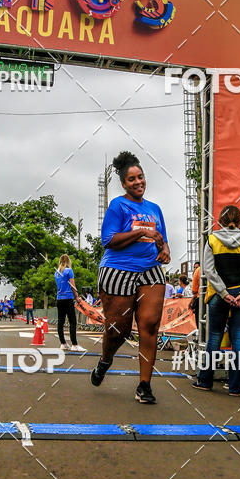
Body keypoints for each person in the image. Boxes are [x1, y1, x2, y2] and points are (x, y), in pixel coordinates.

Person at [91, 150, 170, 404]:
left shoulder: (155, 208)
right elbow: (108, 240)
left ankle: (144, 385)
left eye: (141, 177)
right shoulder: (118, 205)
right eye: (132, 179)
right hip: (118, 270)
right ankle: (105, 360)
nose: (138, 182)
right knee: (119, 331)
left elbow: (162, 240)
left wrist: (165, 250)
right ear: (124, 183)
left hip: (150, 270)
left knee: (149, 326)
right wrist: (139, 233)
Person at [193, 204, 240, 395]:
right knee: (239, 337)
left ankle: (204, 381)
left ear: (220, 221)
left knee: (214, 337)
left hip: (218, 296)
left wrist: (224, 293)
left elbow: (208, 270)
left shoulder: (212, 240)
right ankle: (237, 387)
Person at [55, 254, 82, 352]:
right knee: (72, 321)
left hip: (59, 299)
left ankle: (63, 343)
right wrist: (77, 296)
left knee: (60, 322)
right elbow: (72, 285)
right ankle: (74, 344)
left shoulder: (57, 273)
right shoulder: (69, 271)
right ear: (68, 261)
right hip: (68, 298)